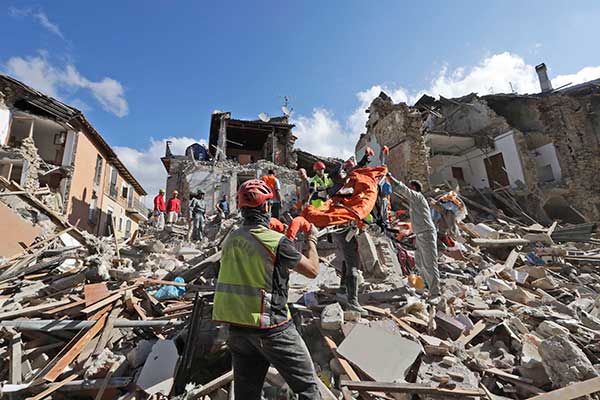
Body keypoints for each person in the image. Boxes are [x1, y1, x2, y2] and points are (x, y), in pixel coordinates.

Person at [213, 179, 321, 400]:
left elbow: (257, 270)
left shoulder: (231, 238)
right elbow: (312, 271)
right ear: (266, 207)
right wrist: (312, 240)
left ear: (241, 208)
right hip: (272, 328)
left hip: (237, 330)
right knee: (308, 388)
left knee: (247, 395)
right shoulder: (276, 242)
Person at [387, 174, 440, 297]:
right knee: (419, 263)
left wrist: (390, 177)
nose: (408, 189)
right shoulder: (415, 202)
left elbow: (404, 191)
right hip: (420, 234)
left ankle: (435, 293)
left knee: (429, 264)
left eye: (410, 187)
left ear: (414, 188)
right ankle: (423, 287)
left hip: (426, 233)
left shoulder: (418, 197)